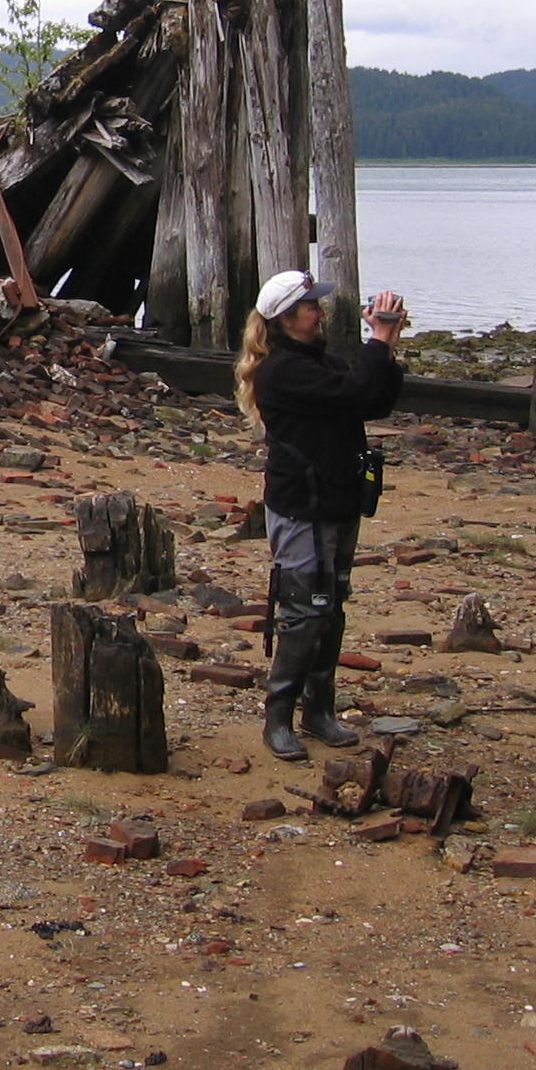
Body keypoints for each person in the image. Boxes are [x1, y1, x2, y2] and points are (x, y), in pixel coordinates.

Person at [234, 271, 408, 762]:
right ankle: (278, 717)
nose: (320, 311)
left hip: (335, 502)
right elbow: (352, 394)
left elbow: (373, 398)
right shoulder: (281, 371)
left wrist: (387, 344)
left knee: (330, 610)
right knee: (304, 613)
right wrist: (377, 340)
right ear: (287, 319)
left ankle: (319, 711)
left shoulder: (319, 363)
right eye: (311, 305)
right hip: (301, 509)